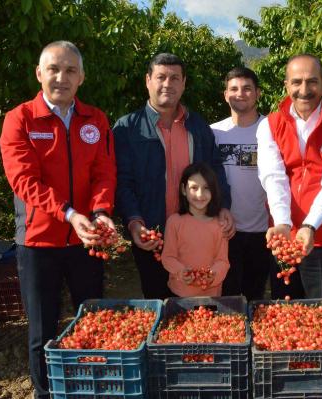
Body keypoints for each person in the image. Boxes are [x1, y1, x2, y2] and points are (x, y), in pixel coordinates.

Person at [0, 41, 116, 399]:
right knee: (42, 330)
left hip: (87, 241)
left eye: (69, 71)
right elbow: (24, 181)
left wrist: (99, 212)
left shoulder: (95, 119)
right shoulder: (20, 119)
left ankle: (91, 386)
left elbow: (104, 172)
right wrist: (68, 213)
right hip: (38, 242)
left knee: (92, 319)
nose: (61, 77)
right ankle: (45, 393)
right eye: (53, 69)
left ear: (81, 77)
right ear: (39, 74)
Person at [113, 53, 233, 300]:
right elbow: (122, 181)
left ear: (184, 83)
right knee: (158, 300)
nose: (168, 84)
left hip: (195, 232)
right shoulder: (127, 128)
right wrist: (134, 221)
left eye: (175, 78)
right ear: (148, 80)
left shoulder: (198, 126)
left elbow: (215, 170)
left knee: (198, 298)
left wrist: (223, 208)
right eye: (161, 77)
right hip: (151, 232)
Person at [256, 54, 322, 308]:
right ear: (286, 85)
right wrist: (283, 222)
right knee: (285, 307)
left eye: (312, 81)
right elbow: (274, 177)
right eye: (296, 82)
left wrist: (310, 225)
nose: (304, 90)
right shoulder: (270, 125)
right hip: (284, 236)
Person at [210, 67, 272, 301]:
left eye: (247, 88)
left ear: (257, 93)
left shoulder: (271, 129)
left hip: (263, 230)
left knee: (256, 294)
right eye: (234, 88)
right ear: (225, 94)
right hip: (226, 230)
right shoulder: (214, 132)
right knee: (228, 295)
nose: (240, 93)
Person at [161, 162, 229, 297]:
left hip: (211, 295)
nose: (200, 194)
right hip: (179, 293)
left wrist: (213, 275)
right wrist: (182, 272)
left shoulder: (219, 225)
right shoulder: (174, 222)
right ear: (183, 190)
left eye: (206, 188)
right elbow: (168, 257)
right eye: (194, 188)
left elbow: (222, 261)